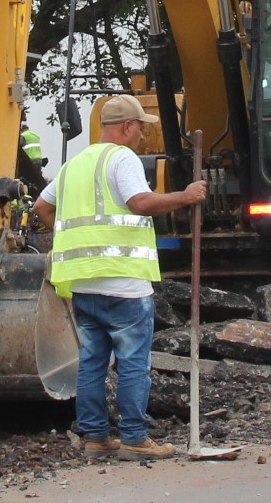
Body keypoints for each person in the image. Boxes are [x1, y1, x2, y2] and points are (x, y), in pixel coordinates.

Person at [29, 95, 207, 459]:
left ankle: (95, 438)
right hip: (124, 282)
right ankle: (134, 438)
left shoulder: (74, 164)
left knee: (92, 361)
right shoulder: (122, 158)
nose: (141, 135)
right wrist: (186, 197)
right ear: (126, 126)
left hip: (82, 283)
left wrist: (69, 240)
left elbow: (42, 207)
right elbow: (138, 202)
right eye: (140, 127)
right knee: (132, 363)